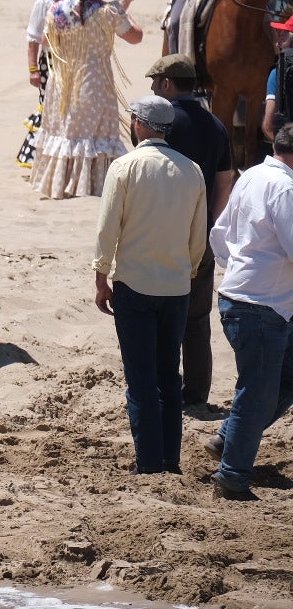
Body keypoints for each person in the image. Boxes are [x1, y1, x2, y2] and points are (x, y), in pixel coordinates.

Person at [92, 95, 208, 475]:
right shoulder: (192, 170)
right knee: (168, 376)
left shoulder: (124, 167)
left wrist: (100, 277)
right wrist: (186, 273)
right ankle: (170, 459)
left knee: (140, 378)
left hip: (135, 285)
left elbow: (108, 228)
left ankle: (149, 463)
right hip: (175, 287)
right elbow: (197, 238)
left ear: (139, 124)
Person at [202, 123, 293, 500]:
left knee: (284, 380)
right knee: (257, 392)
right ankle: (232, 477)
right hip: (262, 307)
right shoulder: (286, 189)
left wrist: (238, 266)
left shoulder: (253, 174)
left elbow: (220, 233)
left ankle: (228, 439)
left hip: (248, 300)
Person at [146, 53, 237, 412]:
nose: (153, 89)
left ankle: (161, 386)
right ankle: (197, 393)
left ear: (167, 84)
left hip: (163, 231)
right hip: (202, 234)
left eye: (155, 83)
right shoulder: (216, 125)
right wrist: (209, 225)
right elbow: (225, 183)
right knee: (197, 318)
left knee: (157, 311)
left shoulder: (162, 126)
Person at [35, 0, 144, 199]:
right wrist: (123, 10)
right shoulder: (108, 12)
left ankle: (61, 184)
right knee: (94, 135)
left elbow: (45, 42)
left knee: (67, 131)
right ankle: (90, 186)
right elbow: (136, 37)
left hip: (64, 80)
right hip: (94, 80)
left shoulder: (57, 10)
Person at [18, 0, 77, 169]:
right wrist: (33, 69)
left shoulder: (78, 0)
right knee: (50, 108)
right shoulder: (44, 3)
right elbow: (33, 39)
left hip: (73, 63)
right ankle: (39, 157)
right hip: (50, 64)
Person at [260, 15, 293, 141]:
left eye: (282, 38)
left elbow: (268, 126)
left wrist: (285, 150)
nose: (277, 43)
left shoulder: (277, 73)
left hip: (288, 153)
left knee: (193, 17)